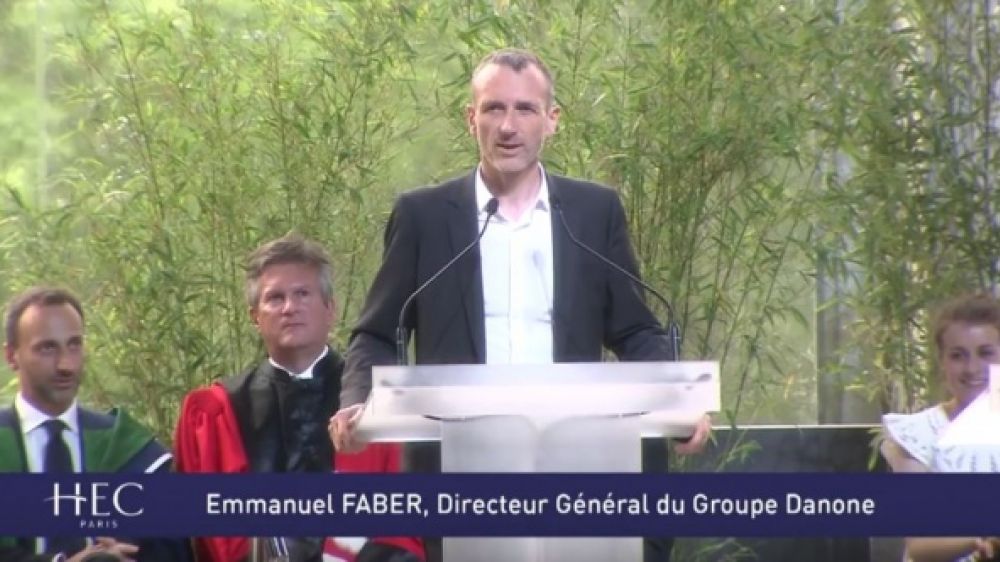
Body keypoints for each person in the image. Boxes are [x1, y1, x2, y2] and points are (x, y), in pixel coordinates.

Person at [330, 48, 711, 562]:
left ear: (551, 121)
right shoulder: (422, 216)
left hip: (579, 460)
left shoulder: (594, 212)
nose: (508, 126)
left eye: (525, 109)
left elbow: (635, 328)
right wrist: (357, 400)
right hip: (461, 467)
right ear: (471, 119)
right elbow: (378, 333)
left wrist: (680, 398)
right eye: (493, 109)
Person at [172, 233, 423, 562]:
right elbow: (196, 530)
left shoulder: (377, 406)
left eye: (303, 294)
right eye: (275, 298)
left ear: (330, 309)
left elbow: (404, 529)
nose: (290, 307)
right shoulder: (215, 412)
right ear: (255, 316)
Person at [0, 287, 191, 562]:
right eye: (47, 348)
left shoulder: (127, 448)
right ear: (11, 356)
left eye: (74, 345)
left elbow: (169, 549)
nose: (66, 364)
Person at [881, 293, 1000, 562]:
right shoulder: (918, 435)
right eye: (958, 356)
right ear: (942, 362)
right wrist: (980, 539)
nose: (972, 368)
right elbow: (920, 546)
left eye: (986, 353)